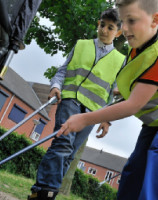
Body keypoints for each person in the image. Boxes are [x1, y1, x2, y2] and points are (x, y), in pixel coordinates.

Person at [56, 0, 158, 199]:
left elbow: (134, 105)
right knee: (135, 166)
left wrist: (84, 119)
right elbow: (145, 86)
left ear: (154, 20)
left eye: (132, 21)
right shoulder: (141, 42)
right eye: (123, 21)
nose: (126, 28)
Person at [28, 8, 125, 200]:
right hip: (70, 99)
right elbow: (62, 71)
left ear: (118, 32)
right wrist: (55, 86)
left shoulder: (120, 60)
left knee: (69, 154)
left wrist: (107, 120)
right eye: (102, 25)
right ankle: (46, 194)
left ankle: (40, 192)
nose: (104, 30)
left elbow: (110, 94)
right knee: (63, 143)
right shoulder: (81, 45)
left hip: (92, 112)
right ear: (98, 24)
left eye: (110, 27)